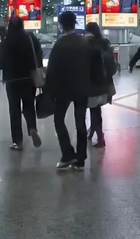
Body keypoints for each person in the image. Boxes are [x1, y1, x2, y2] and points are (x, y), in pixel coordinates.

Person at [44, 11, 91, 170]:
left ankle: (68, 153)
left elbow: (52, 69)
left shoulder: (60, 44)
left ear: (61, 25)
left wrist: (48, 91)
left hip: (63, 89)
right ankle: (80, 160)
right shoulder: (84, 42)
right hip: (82, 88)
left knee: (59, 120)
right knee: (80, 123)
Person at [0, 18, 42, 151]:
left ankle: (17, 141)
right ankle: (32, 128)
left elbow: (0, 64)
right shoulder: (30, 40)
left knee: (14, 109)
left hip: (12, 81)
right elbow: (38, 56)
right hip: (28, 79)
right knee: (29, 106)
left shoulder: (5, 44)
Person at [83, 22, 115, 148]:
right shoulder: (104, 43)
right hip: (105, 81)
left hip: (91, 81)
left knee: (93, 109)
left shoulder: (87, 43)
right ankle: (93, 132)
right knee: (96, 109)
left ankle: (100, 137)